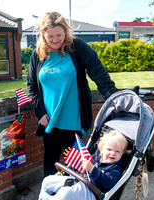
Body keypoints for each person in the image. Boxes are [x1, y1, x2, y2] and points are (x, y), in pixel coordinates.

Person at [27, 11, 118, 176]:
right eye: (50, 36)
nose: (55, 40)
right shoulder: (38, 55)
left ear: (65, 31)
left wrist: (113, 94)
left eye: (59, 35)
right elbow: (32, 86)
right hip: (49, 122)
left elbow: (98, 72)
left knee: (75, 165)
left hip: (73, 120)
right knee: (51, 164)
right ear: (43, 34)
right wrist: (40, 113)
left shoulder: (77, 47)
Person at [38, 130, 129, 200]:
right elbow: (81, 166)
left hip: (93, 192)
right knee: (47, 181)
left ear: (123, 153)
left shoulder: (115, 168)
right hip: (79, 180)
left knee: (66, 193)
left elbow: (108, 182)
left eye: (117, 151)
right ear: (101, 148)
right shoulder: (94, 157)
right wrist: (74, 160)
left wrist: (93, 170)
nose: (112, 154)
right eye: (109, 149)